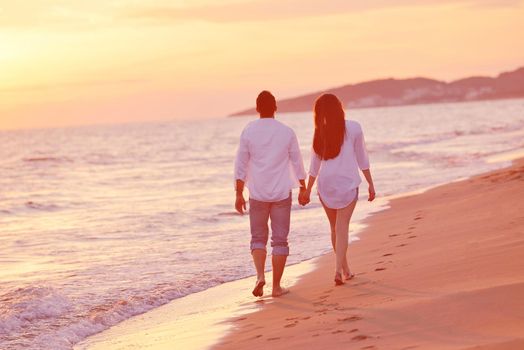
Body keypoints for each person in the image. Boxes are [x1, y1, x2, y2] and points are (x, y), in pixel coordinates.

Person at [234, 90, 307, 297]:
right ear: (275, 107)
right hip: (282, 193)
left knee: (257, 238)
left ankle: (260, 276)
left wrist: (238, 193)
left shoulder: (248, 130)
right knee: (280, 240)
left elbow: (240, 163)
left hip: (257, 192)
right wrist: (303, 187)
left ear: (257, 108)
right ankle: (276, 287)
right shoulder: (286, 131)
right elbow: (296, 161)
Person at [299, 93, 375, 286]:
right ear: (339, 107)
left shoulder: (320, 132)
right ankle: (337, 269)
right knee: (342, 228)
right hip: (347, 183)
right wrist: (370, 183)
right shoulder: (354, 127)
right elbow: (362, 158)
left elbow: (314, 165)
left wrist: (308, 189)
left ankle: (345, 269)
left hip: (325, 184)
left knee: (335, 228)